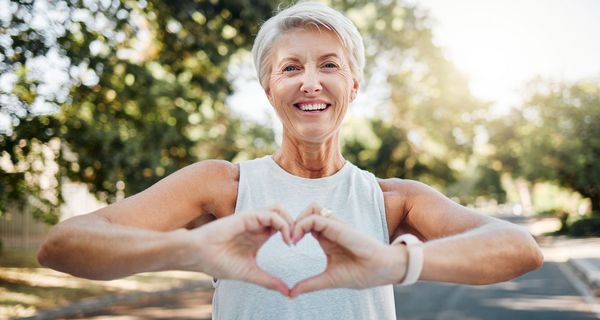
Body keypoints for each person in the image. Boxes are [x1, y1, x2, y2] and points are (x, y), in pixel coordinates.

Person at [38, 2, 543, 319]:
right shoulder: (221, 186)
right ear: (268, 88)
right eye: (290, 67)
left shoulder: (393, 200)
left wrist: (393, 260)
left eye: (329, 65)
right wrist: (188, 250)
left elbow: (519, 248)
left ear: (352, 85)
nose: (310, 81)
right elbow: (61, 246)